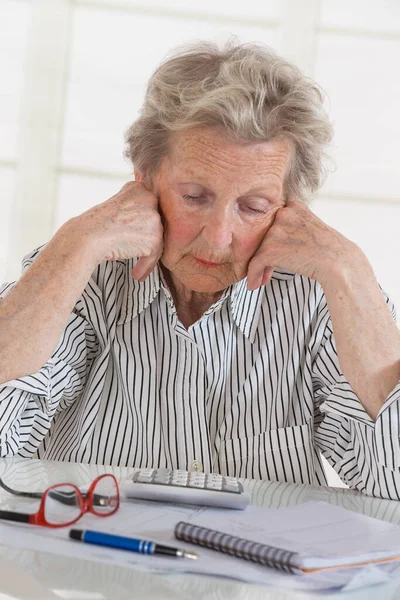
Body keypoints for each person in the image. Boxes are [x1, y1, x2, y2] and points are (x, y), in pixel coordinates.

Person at [0, 41, 399, 500]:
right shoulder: (85, 278)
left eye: (253, 206)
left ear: (291, 207)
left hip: (260, 570)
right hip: (97, 566)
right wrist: (72, 244)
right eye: (194, 197)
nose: (218, 237)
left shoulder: (324, 298)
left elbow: (393, 480)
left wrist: (353, 272)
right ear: (145, 176)